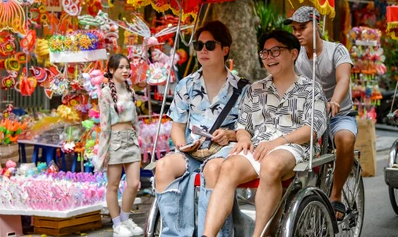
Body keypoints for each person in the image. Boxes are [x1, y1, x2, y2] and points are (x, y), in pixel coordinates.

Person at [202, 30, 328, 237]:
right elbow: (244, 125)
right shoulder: (256, 89)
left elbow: (312, 129)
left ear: (293, 53)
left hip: (294, 146)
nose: (269, 57)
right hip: (259, 146)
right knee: (228, 166)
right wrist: (243, 138)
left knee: (271, 164)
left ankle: (259, 234)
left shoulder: (310, 89)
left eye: (276, 51)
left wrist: (278, 141)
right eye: (265, 53)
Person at [154, 21, 248, 237]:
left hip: (224, 151)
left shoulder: (242, 88)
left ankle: (212, 233)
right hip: (193, 150)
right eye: (199, 45)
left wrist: (230, 135)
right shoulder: (186, 85)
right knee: (164, 166)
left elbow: (247, 130)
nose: (203, 50)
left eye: (210, 45)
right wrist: (182, 144)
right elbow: (177, 127)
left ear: (225, 49)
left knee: (213, 169)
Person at [286, 6, 357, 220]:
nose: (297, 33)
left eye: (302, 27)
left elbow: (343, 78)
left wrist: (334, 101)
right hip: (310, 118)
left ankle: (336, 195)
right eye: (295, 29)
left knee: (345, 139)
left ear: (317, 25)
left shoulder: (337, 50)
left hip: (339, 115)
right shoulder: (296, 57)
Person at [96, 54, 143, 237]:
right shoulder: (105, 93)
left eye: (127, 67)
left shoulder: (130, 91)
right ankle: (117, 224)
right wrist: (104, 150)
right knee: (113, 185)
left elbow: (136, 120)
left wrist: (138, 139)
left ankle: (125, 219)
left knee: (134, 183)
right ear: (111, 70)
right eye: (121, 67)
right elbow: (104, 125)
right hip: (114, 141)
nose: (125, 70)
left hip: (131, 140)